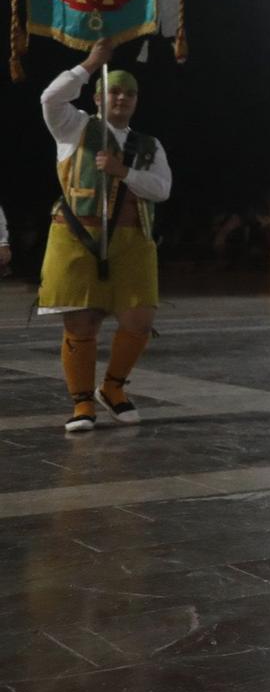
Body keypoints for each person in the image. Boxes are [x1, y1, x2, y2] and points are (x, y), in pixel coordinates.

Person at [38, 40, 172, 433]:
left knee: (139, 318)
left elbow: (162, 188)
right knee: (81, 323)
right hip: (77, 238)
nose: (122, 98)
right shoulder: (73, 126)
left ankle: (112, 387)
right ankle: (82, 403)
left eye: (130, 93)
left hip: (133, 243)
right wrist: (91, 63)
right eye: (114, 90)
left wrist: (122, 171)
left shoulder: (149, 145)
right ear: (98, 95)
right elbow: (50, 98)